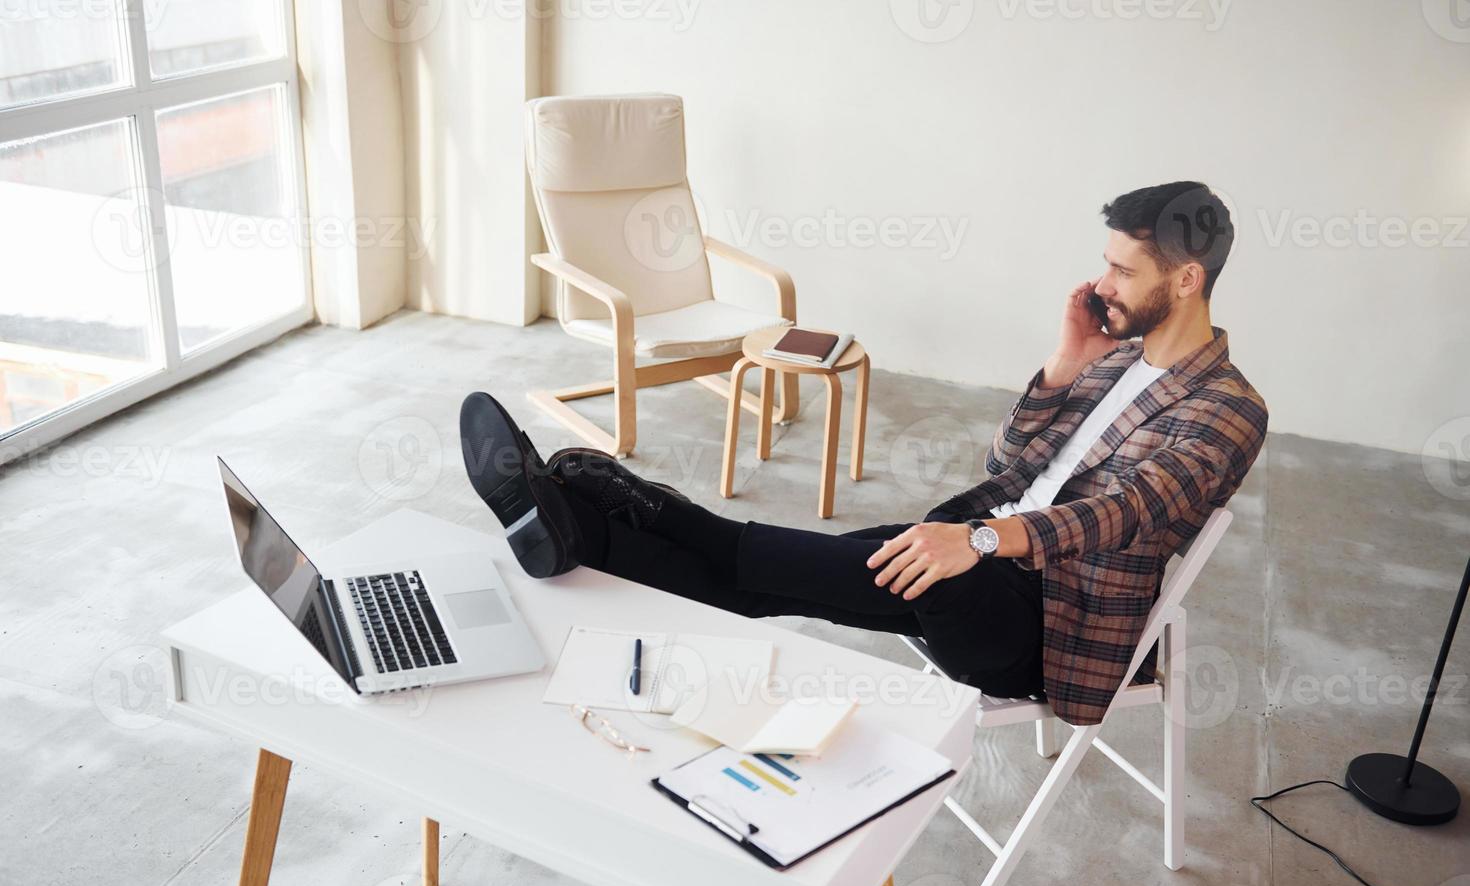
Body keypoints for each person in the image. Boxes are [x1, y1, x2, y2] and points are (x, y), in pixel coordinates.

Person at [459, 181, 1268, 727]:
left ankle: (603, 510)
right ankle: (589, 535)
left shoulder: (1229, 410)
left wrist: (979, 541)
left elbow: (1123, 512)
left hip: (1043, 628)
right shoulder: (1118, 357)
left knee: (793, 570)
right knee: (767, 584)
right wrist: (1064, 365)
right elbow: (1008, 465)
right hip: (967, 560)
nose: (1104, 284)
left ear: (1188, 278)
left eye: (1123, 270)